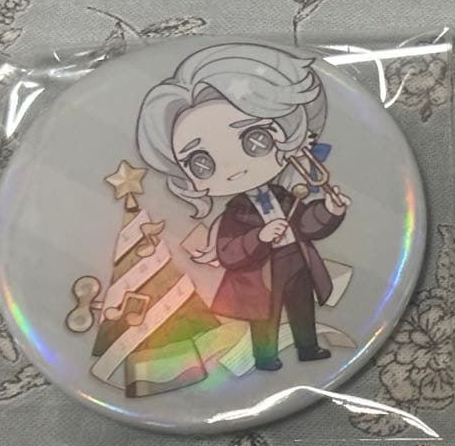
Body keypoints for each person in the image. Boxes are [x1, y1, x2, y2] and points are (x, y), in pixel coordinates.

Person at [136, 43, 349, 371]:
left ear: (282, 131)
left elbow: (306, 223)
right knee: (265, 315)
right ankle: (264, 357)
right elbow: (229, 252)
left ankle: (308, 348)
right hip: (259, 274)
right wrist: (260, 237)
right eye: (201, 162)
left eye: (254, 138)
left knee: (301, 305)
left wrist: (330, 210)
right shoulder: (235, 212)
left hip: (295, 261)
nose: (233, 168)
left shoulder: (283, 194)